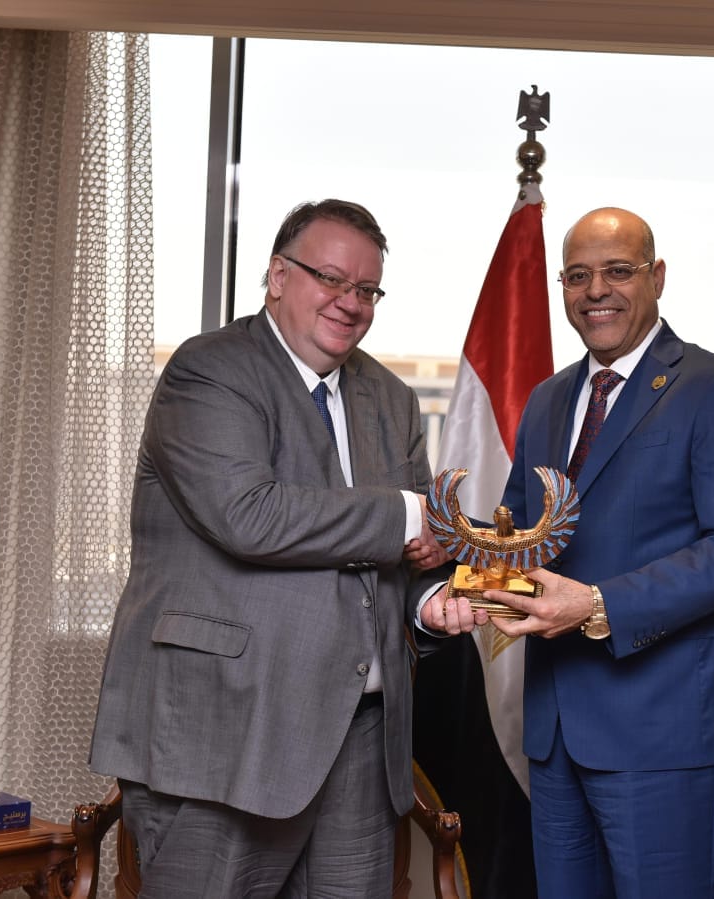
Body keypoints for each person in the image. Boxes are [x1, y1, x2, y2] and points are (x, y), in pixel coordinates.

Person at [88, 198, 480, 898]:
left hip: (362, 739)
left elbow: (409, 553)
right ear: (276, 275)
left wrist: (428, 606)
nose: (350, 302)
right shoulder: (209, 371)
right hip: (229, 729)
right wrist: (408, 514)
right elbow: (250, 516)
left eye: (367, 289)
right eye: (331, 279)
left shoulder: (391, 398)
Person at [481, 207, 714, 897]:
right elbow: (518, 534)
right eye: (578, 276)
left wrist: (598, 604)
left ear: (657, 277)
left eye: (618, 271)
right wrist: (439, 543)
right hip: (554, 732)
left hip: (662, 734)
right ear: (562, 286)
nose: (597, 291)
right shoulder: (548, 398)